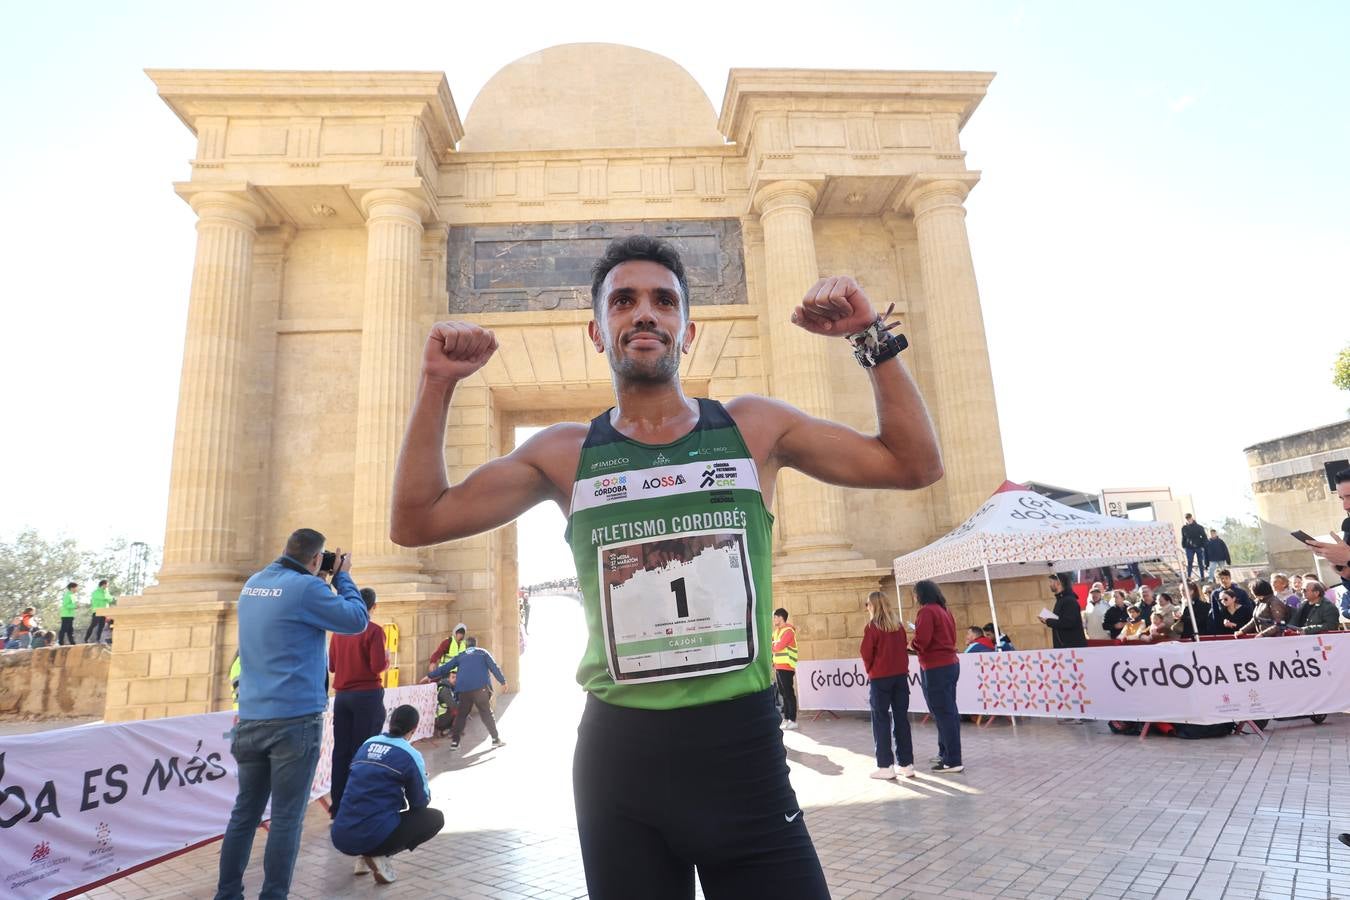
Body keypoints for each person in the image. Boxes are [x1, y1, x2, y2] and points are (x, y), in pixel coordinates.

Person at [391, 236, 943, 898]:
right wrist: (436, 384)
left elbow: (914, 465)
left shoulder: (753, 429)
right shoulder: (565, 453)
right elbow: (416, 521)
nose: (644, 313)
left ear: (688, 327)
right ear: (598, 332)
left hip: (743, 753)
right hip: (621, 765)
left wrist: (871, 341)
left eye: (663, 300)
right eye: (623, 301)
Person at [214, 529, 369, 900]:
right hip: (295, 721)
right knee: (285, 819)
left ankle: (227, 893)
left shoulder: (253, 584)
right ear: (316, 560)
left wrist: (319, 575)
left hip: (251, 717)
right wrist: (342, 576)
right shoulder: (306, 588)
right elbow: (356, 619)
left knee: (244, 814)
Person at [330, 705, 444, 886]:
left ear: (390, 723)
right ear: (413, 730)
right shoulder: (410, 754)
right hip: (372, 835)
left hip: (340, 835)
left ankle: (364, 857)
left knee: (371, 809)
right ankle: (378, 855)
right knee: (435, 818)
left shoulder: (368, 743)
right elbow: (420, 802)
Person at [328, 587, 389, 818]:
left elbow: (332, 666)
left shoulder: (338, 632)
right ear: (373, 607)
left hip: (342, 697)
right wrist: (387, 660)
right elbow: (376, 666)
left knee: (341, 751)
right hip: (366, 695)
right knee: (364, 750)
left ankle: (338, 805)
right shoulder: (374, 631)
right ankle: (360, 803)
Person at [861, 590, 915, 780]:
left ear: (873, 605)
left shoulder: (872, 627)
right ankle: (906, 764)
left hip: (881, 678)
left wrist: (872, 670)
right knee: (901, 720)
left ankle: (885, 765)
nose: (866, 607)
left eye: (867, 604)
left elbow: (866, 653)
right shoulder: (898, 626)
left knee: (881, 720)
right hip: (900, 677)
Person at [911, 580, 962, 773]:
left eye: (915, 594)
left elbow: (922, 640)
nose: (914, 598)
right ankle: (945, 753)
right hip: (949, 663)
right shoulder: (944, 610)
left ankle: (952, 760)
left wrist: (911, 645)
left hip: (936, 666)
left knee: (943, 713)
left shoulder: (926, 611)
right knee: (947, 711)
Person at [422, 637, 507, 751]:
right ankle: (495, 739)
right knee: (486, 713)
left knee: (461, 715)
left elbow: (446, 667)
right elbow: (494, 667)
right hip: (480, 689)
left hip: (464, 690)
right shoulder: (482, 653)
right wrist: (503, 681)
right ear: (476, 644)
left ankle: (455, 742)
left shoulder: (461, 655)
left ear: (466, 646)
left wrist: (430, 676)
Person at [771, 607, 799, 730]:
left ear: (781, 617)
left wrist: (772, 645)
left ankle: (793, 720)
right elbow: (773, 646)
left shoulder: (788, 631)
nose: (774, 620)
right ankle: (787, 719)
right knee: (783, 693)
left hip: (787, 667)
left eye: (775, 617)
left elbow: (778, 647)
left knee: (788, 693)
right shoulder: (776, 631)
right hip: (778, 666)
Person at [1042, 573, 1087, 649]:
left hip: (1072, 648)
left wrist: (1048, 621)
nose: (1049, 585)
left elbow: (1069, 622)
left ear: (1058, 583)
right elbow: (1061, 620)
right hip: (1064, 647)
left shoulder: (1069, 601)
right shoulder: (1061, 600)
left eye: (1051, 582)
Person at [84, 579, 113, 643]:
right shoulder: (96, 592)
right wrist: (106, 598)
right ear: (103, 585)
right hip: (97, 611)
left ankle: (98, 639)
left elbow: (110, 599)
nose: (107, 587)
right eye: (107, 585)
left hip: (104, 611)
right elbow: (103, 598)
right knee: (93, 625)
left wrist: (106, 597)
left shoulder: (106, 592)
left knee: (101, 626)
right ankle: (86, 638)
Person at [1181, 513, 1207, 580]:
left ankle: (1202, 576)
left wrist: (1203, 546)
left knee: (1200, 562)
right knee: (1190, 561)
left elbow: (1204, 537)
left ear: (1192, 518)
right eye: (1187, 518)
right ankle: (1189, 576)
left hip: (1198, 546)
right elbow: (1184, 538)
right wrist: (1183, 545)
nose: (1188, 519)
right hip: (1189, 547)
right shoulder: (1184, 528)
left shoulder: (1199, 527)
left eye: (1189, 518)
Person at [58, 581, 78, 646]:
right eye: (76, 588)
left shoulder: (73, 595)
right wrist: (75, 606)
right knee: (64, 629)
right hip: (66, 615)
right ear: (72, 588)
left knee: (70, 629)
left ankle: (72, 642)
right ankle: (61, 642)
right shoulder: (67, 595)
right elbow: (66, 605)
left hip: (71, 615)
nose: (76, 589)